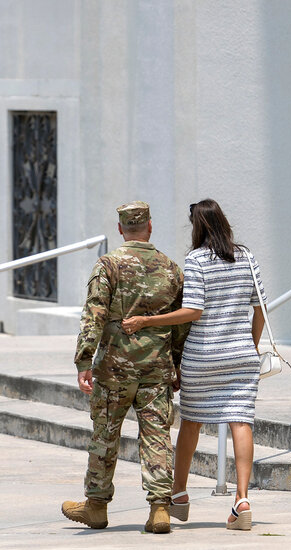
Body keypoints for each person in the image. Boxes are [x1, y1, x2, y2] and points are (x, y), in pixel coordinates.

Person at [122, 199, 266, 531]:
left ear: (197, 225)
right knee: (240, 422)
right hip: (242, 355)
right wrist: (251, 346)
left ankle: (179, 494)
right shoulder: (247, 257)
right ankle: (242, 500)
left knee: (191, 423)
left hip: (203, 355)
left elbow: (193, 312)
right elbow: (260, 309)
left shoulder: (197, 260)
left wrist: (147, 320)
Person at [61, 201, 189, 535]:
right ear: (150, 225)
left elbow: (95, 314)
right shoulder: (171, 269)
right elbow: (181, 326)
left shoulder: (108, 265)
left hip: (114, 369)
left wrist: (83, 360)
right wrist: (176, 365)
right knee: (157, 436)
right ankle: (160, 509)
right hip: (156, 367)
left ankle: (97, 506)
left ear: (120, 228)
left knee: (105, 434)